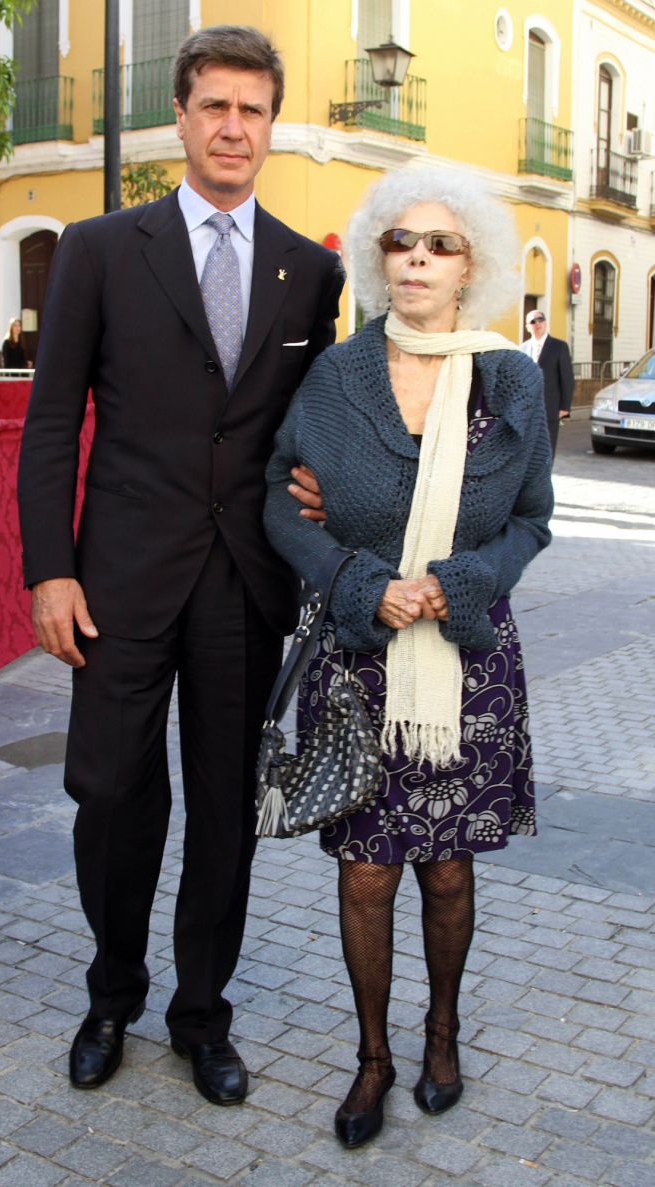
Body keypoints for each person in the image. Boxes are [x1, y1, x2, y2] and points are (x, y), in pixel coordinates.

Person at [17, 25, 344, 1106]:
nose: (234, 126)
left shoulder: (312, 269)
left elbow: (313, 429)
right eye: (216, 105)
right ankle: (112, 991)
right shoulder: (104, 248)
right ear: (183, 117)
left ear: (271, 121)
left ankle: (201, 1013)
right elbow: (53, 420)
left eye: (253, 108)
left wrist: (328, 491)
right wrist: (48, 568)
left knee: (220, 805)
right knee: (109, 790)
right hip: (114, 577)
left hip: (244, 582)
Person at [265, 166, 553, 1147]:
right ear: (376, 258)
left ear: (472, 264)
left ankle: (442, 1031)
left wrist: (457, 582)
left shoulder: (510, 378)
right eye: (401, 242)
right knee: (366, 875)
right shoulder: (339, 375)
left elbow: (530, 520)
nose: (418, 257)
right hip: (358, 662)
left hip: (466, 667)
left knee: (447, 873)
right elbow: (278, 494)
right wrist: (358, 583)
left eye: (439, 243)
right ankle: (373, 1057)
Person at [521, 309, 574, 457]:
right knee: (528, 451)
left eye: (540, 319)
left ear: (545, 322)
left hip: (550, 408)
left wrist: (564, 407)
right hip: (527, 410)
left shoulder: (559, 347)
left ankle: (544, 479)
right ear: (527, 327)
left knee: (546, 451)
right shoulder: (522, 349)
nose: (537, 323)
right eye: (533, 321)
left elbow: (567, 378)